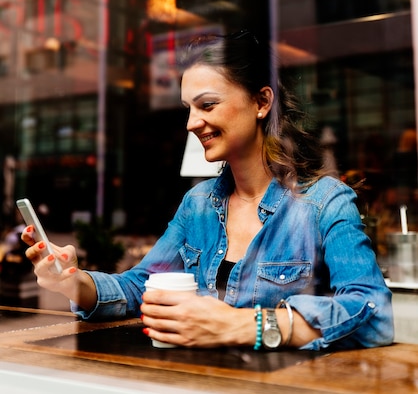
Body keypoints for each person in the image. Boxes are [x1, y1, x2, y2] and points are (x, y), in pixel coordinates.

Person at [22, 30, 394, 351]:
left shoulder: (324, 202)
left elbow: (373, 313)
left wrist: (246, 326)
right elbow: (140, 287)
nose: (191, 122)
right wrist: (73, 282)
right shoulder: (198, 205)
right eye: (188, 108)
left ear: (262, 102)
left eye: (208, 105)